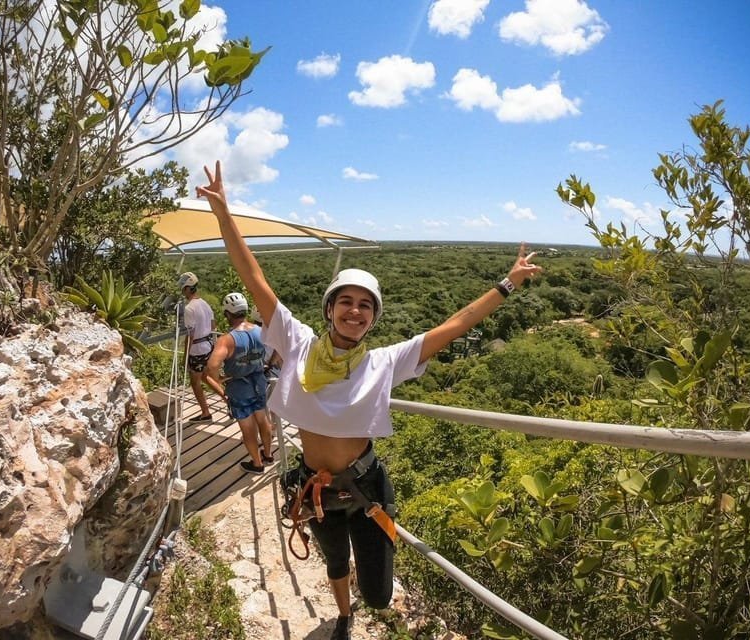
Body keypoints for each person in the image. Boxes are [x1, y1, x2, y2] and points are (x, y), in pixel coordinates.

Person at [196, 161, 541, 640]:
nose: (354, 311)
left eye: (365, 305)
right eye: (346, 302)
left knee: (379, 590)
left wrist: (507, 284)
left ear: (372, 317)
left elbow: (456, 324)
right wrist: (224, 215)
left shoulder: (384, 362)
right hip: (315, 486)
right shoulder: (296, 344)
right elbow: (253, 277)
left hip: (366, 486)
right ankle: (342, 616)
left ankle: (368, 599)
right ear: (331, 309)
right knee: (334, 562)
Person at [206, 292, 274, 474]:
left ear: (228, 313)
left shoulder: (227, 339)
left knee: (248, 429)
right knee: (263, 420)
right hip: (259, 382)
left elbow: (212, 365)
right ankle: (268, 455)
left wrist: (219, 378)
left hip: (239, 387)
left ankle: (257, 464)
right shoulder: (260, 331)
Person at [179, 272, 223, 422]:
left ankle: (205, 412)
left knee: (195, 382)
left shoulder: (189, 309)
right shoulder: (205, 303)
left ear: (186, 289)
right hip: (208, 345)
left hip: (197, 349)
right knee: (206, 377)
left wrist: (185, 357)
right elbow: (213, 325)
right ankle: (228, 400)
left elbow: (190, 335)